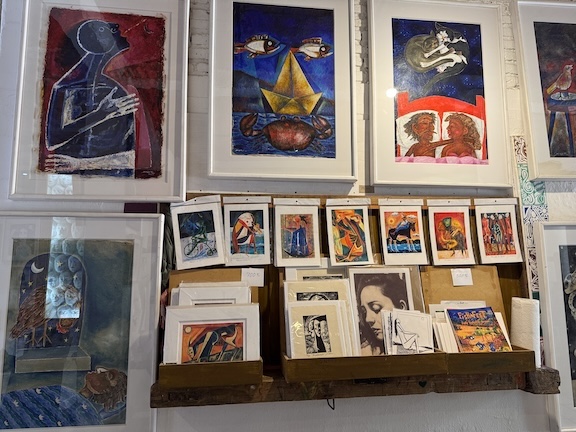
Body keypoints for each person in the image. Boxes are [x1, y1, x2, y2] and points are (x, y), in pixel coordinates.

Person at [354, 274, 409, 355]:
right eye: (364, 311)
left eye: (376, 308)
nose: (368, 319)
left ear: (401, 307)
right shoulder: (364, 353)